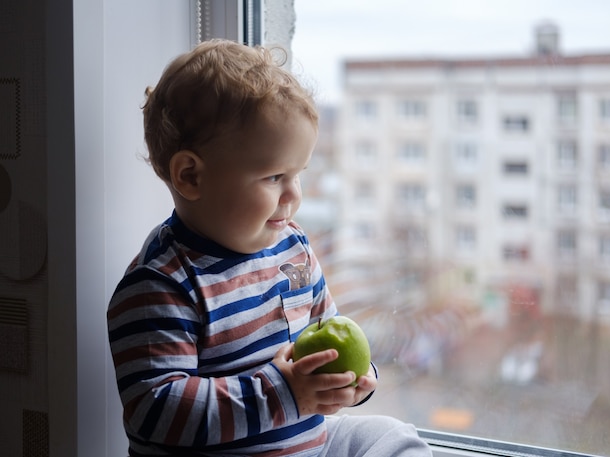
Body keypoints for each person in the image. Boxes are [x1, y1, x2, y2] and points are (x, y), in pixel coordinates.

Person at [107, 39, 432, 457]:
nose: (294, 194)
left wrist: (349, 380)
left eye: (299, 173)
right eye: (274, 176)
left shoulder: (292, 248)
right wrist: (282, 393)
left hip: (305, 443)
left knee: (391, 437)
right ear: (190, 176)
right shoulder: (161, 285)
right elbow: (155, 411)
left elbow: (326, 327)